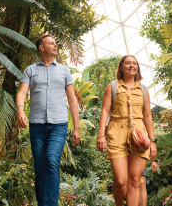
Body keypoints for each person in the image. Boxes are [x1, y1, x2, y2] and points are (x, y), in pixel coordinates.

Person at [16, 34, 81, 206]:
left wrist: (77, 128)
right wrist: (20, 110)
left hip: (58, 124)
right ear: (41, 47)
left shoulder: (64, 70)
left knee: (52, 160)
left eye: (55, 43)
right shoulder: (30, 70)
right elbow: (22, 92)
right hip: (36, 124)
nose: (55, 45)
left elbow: (72, 99)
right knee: (40, 166)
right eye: (51, 43)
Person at [96, 55, 157, 206]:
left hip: (139, 136)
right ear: (121, 67)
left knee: (135, 180)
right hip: (116, 133)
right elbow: (104, 111)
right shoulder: (112, 87)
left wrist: (153, 140)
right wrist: (101, 134)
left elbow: (148, 116)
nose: (131, 66)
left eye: (134, 63)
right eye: (128, 63)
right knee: (121, 181)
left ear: (138, 67)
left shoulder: (143, 90)